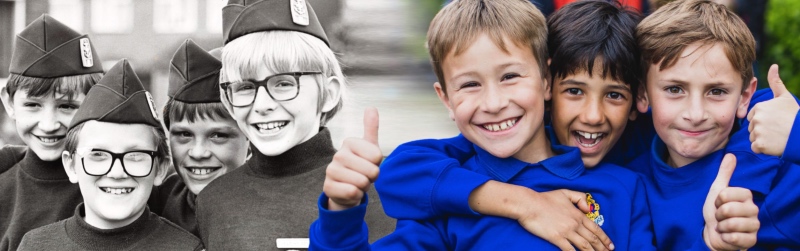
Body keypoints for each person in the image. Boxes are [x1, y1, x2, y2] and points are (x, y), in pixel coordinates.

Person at [311, 0, 663, 249]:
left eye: (510, 76)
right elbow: (402, 167)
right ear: (445, 98)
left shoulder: (624, 187)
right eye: (470, 84)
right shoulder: (449, 201)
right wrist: (341, 211)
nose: (494, 103)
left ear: (545, 81)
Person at [194, 0, 393, 249]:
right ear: (227, 99)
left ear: (329, 94)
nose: (262, 104)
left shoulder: (378, 187)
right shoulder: (213, 200)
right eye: (245, 87)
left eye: (284, 83)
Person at [631, 0, 799, 248]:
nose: (696, 114)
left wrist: (796, 134)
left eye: (717, 91)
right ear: (642, 94)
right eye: (675, 89)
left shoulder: (776, 157)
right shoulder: (630, 184)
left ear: (744, 97)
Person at [17, 59, 203, 251]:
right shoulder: (35, 245)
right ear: (71, 165)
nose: (116, 173)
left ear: (160, 168)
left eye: (135, 155)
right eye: (98, 155)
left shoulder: (187, 248)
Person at [0, 14, 103, 251]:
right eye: (32, 105)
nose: (48, 124)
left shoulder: (122, 180)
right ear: (8, 102)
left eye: (67, 106)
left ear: (94, 103)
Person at [148, 39, 249, 236]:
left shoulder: (272, 204)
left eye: (218, 135)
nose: (198, 152)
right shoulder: (159, 200)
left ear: (251, 139)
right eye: (184, 134)